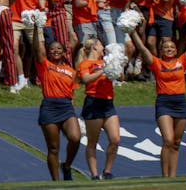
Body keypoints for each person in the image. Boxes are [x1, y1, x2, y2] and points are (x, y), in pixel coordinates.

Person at [128, 19, 186, 177]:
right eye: (166, 47)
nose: (169, 49)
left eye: (172, 47)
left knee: (176, 143)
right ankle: (164, 175)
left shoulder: (182, 61)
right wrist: (132, 32)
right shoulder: (156, 63)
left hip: (180, 103)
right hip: (164, 103)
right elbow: (142, 48)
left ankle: (172, 176)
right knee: (168, 140)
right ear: (161, 50)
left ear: (176, 50)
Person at [30, 18, 80, 181]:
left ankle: (66, 166)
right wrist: (37, 29)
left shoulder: (70, 71)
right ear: (49, 52)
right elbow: (37, 50)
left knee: (75, 137)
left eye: (59, 48)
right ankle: (56, 182)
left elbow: (72, 94)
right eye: (52, 49)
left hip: (66, 107)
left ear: (64, 51)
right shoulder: (44, 65)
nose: (56, 51)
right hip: (50, 106)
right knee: (53, 148)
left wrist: (72, 109)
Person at [77, 38, 120, 180]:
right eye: (101, 45)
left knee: (115, 139)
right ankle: (94, 174)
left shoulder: (105, 61)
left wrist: (117, 66)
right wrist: (103, 71)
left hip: (108, 103)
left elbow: (120, 76)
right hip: (93, 103)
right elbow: (86, 79)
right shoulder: (85, 63)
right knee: (92, 142)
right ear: (95, 47)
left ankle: (107, 171)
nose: (104, 47)